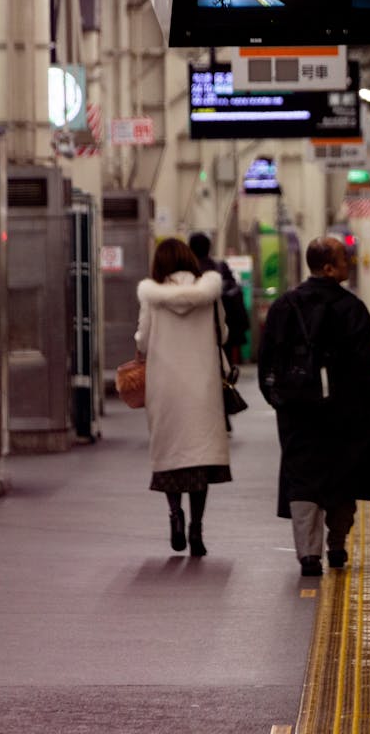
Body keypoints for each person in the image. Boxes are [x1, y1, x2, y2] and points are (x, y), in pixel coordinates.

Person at [258, 236, 370, 577]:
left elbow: (267, 365)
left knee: (302, 478)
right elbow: (369, 366)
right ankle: (336, 545)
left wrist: (280, 403)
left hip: (297, 412)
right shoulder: (352, 309)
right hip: (344, 413)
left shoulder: (283, 307)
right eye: (343, 259)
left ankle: (308, 555)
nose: (349, 263)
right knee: (342, 478)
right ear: (328, 267)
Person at [135, 238, 232, 557]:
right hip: (201, 386)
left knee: (171, 457)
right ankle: (196, 529)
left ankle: (175, 516)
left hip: (165, 387)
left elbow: (144, 340)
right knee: (199, 458)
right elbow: (224, 333)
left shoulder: (152, 296)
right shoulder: (209, 292)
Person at [189, 232, 250, 365]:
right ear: (209, 247)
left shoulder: (188, 272)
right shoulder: (220, 267)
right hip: (221, 327)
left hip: (195, 331)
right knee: (223, 366)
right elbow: (234, 291)